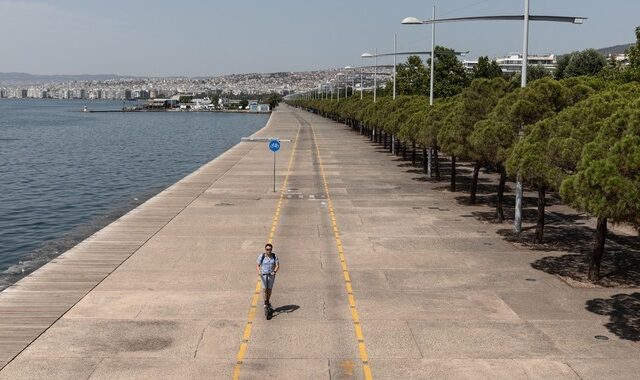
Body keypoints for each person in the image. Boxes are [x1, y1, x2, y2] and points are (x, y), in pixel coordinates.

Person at [256, 243, 279, 309]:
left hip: (271, 275)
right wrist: (259, 272)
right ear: (265, 249)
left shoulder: (274, 256)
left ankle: (268, 301)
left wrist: (274, 271)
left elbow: (277, 265)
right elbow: (257, 265)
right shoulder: (261, 256)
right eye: (267, 249)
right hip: (263, 275)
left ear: (271, 249)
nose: (269, 250)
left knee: (269, 289)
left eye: (270, 249)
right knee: (264, 289)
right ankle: (266, 302)